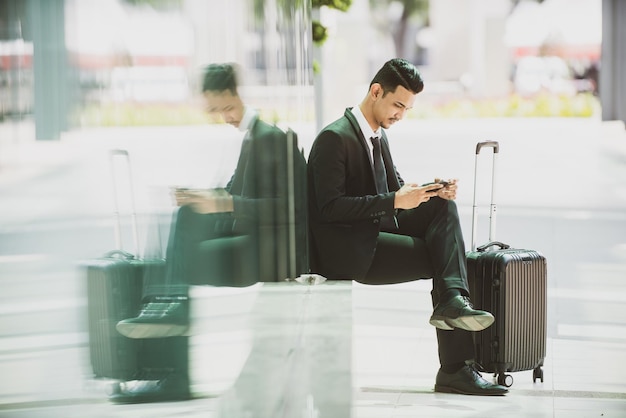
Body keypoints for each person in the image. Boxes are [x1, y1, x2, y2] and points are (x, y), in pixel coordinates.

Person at [307, 58, 508, 396]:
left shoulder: (376, 136)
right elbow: (328, 209)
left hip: (371, 230)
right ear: (375, 92)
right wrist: (394, 201)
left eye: (407, 108)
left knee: (443, 208)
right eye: (398, 104)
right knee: (446, 263)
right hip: (350, 250)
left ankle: (453, 303)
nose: (401, 114)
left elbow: (395, 189)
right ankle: (455, 364)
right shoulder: (335, 138)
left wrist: (430, 191)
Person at [109, 63, 307, 403]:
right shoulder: (254, 137)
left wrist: (223, 203)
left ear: (236, 95)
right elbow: (233, 196)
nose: (224, 117)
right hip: (249, 237)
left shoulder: (270, 138)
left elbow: (287, 209)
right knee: (174, 240)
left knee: (177, 259)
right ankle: (166, 309)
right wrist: (206, 199)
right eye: (216, 111)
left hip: (265, 248)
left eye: (225, 108)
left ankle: (170, 327)